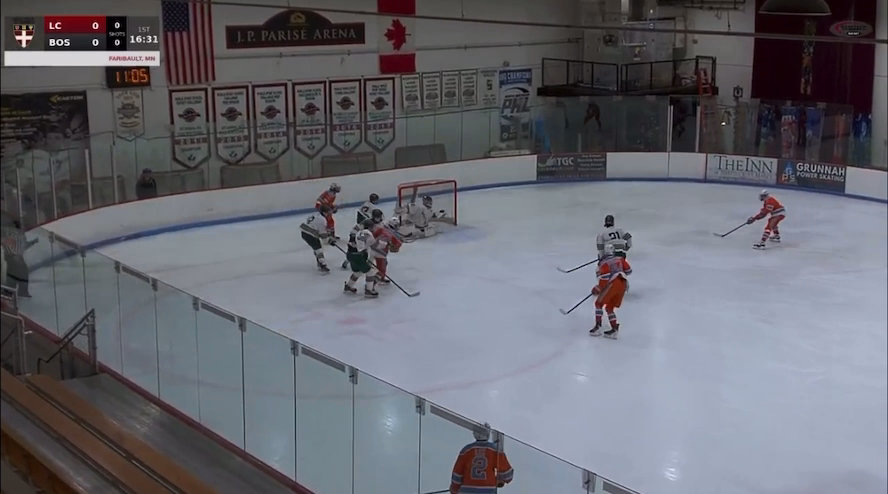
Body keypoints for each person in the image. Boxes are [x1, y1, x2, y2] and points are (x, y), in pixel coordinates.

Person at [450, 423, 513, 494]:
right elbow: (507, 475)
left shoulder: (466, 450)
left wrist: (454, 489)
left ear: (474, 433)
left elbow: (457, 474)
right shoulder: (494, 450)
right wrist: (498, 480)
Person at [589, 245, 632, 339]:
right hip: (623, 284)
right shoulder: (620, 259)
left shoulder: (604, 263)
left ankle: (598, 327)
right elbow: (629, 270)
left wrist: (598, 288)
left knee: (598, 304)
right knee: (609, 307)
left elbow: (605, 277)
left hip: (613, 283)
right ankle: (614, 329)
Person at [344, 219, 379, 298]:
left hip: (350, 254)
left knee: (357, 272)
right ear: (370, 227)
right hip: (358, 256)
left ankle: (348, 286)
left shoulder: (360, 232)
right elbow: (374, 246)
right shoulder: (369, 234)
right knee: (370, 272)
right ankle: (368, 290)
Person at [2, 219, 38, 297]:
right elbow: (6, 244)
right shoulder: (14, 235)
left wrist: (33, 242)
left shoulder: (21, 236)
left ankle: (20, 292)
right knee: (15, 274)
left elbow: (23, 247)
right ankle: (12, 292)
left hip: (17, 257)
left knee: (21, 273)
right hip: (13, 258)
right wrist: (13, 255)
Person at [299, 205, 335, 274]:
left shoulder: (315, 215)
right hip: (310, 235)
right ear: (324, 212)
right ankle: (322, 265)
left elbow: (312, 224)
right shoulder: (322, 220)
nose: (329, 214)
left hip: (304, 232)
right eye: (328, 212)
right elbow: (323, 236)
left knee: (316, 248)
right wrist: (329, 241)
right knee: (318, 249)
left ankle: (319, 263)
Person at [371, 216, 403, 284]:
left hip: (371, 249)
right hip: (381, 253)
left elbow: (373, 236)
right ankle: (372, 285)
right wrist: (398, 244)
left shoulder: (381, 228)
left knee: (383, 264)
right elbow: (395, 248)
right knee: (381, 270)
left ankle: (378, 279)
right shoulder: (394, 234)